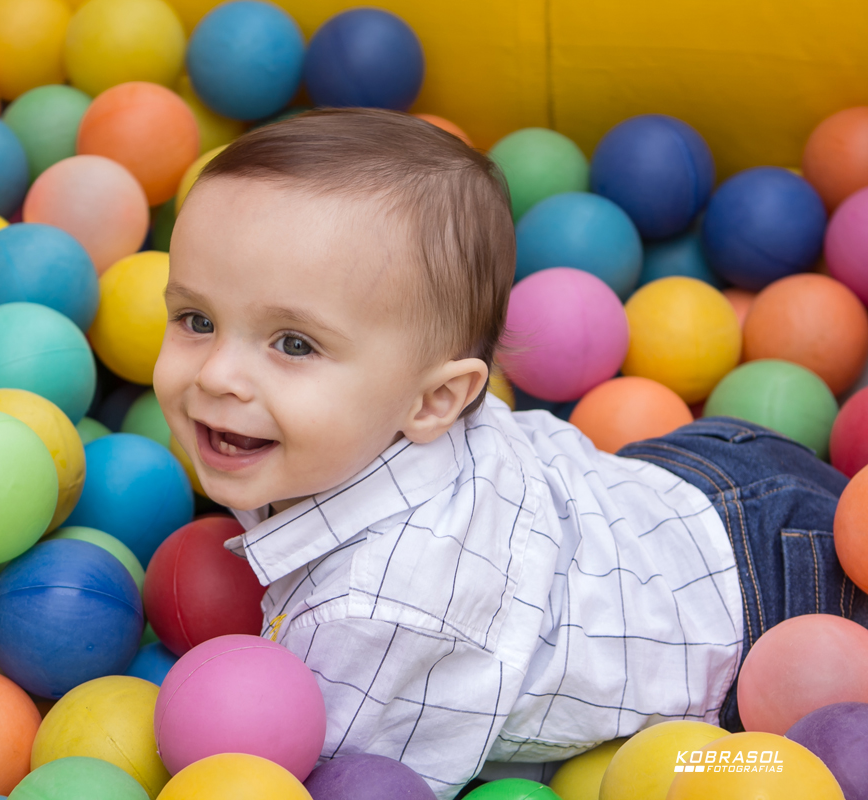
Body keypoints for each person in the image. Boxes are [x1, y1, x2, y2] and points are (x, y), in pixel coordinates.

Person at [151, 108, 865, 799]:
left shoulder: (372, 612)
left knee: (741, 774)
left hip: (773, 623)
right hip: (709, 476)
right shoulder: (390, 414)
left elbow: (357, 782)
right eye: (196, 320)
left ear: (435, 399)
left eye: (293, 344)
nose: (216, 375)